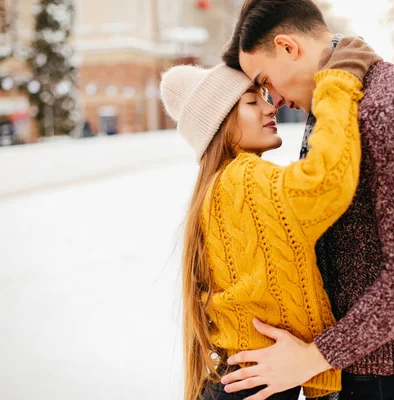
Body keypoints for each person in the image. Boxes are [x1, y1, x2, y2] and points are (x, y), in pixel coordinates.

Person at [219, 1, 394, 400]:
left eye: (266, 81)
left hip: (386, 378)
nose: (272, 100)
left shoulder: (392, 108)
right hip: (342, 370)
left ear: (288, 47)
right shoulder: (337, 101)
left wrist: (314, 357)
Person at [160, 39, 380, 400]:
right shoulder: (243, 178)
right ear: (220, 125)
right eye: (251, 102)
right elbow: (326, 182)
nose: (270, 106)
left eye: (264, 96)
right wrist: (339, 80)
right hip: (254, 385)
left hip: (244, 380)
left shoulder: (223, 184)